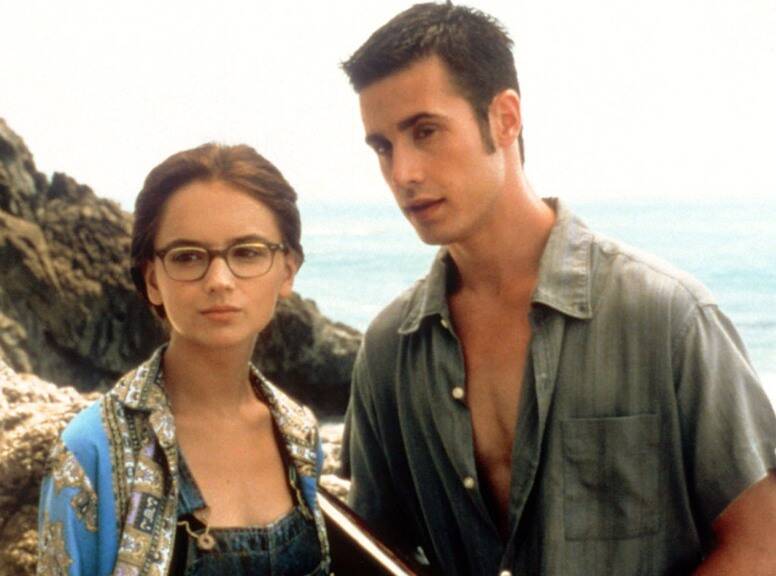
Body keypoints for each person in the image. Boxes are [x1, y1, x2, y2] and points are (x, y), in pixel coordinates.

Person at [340, 3, 776, 575]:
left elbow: (762, 542)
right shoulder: (390, 351)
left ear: (505, 119)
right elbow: (372, 553)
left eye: (426, 132)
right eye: (383, 147)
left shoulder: (665, 315)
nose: (403, 174)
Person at [37, 143, 331, 575]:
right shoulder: (92, 451)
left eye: (247, 251)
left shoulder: (299, 435)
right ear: (152, 280)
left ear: (287, 270)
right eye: (188, 256)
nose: (219, 280)